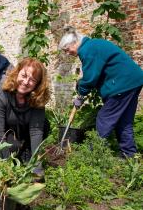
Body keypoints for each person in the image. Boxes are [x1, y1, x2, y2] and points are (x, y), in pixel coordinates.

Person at [59, 26, 143, 158]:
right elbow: (96, 74)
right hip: (132, 81)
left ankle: (93, 154)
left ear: (74, 43)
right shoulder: (94, 45)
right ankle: (129, 155)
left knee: (104, 118)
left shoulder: (87, 50)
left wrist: (81, 94)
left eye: (67, 49)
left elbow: (91, 77)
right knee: (124, 121)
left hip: (121, 85)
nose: (67, 53)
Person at [0, 58, 50, 174]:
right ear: (17, 73)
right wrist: (8, 168)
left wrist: (37, 167)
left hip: (13, 125)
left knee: (44, 125)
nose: (26, 82)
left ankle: (28, 156)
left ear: (38, 84)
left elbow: (36, 131)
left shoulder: (36, 98)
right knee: (12, 147)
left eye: (32, 80)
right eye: (24, 76)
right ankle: (8, 156)